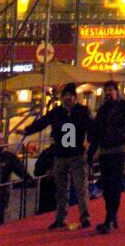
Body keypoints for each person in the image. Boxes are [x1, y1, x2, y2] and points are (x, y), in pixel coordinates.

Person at [20, 83, 93, 230]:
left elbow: (91, 127)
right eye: (65, 95)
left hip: (76, 154)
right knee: (60, 188)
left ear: (74, 97)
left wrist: (90, 144)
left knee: (80, 187)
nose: (68, 98)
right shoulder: (57, 112)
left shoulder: (82, 111)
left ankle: (85, 217)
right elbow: (43, 122)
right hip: (60, 154)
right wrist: (28, 130)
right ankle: (60, 218)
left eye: (70, 96)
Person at [88, 80, 125, 235]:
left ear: (117, 91)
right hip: (105, 150)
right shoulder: (102, 110)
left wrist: (119, 135)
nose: (108, 93)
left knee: (114, 183)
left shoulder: (124, 107)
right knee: (107, 185)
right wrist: (92, 152)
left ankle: (111, 217)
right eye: (106, 90)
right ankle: (111, 215)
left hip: (117, 149)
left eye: (110, 90)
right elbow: (96, 131)